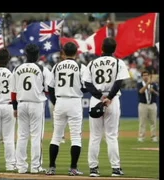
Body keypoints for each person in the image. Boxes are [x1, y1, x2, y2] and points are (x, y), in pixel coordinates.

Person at [83, 37, 130, 177]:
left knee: (95, 136)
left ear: (102, 48)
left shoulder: (92, 63)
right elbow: (118, 82)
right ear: (114, 49)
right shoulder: (118, 62)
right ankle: (115, 169)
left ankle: (93, 169)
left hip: (96, 100)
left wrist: (99, 96)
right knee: (111, 136)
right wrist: (109, 97)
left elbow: (87, 84)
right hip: (112, 100)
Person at [46, 42, 87, 176]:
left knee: (56, 137)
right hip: (74, 102)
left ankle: (51, 167)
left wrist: (55, 101)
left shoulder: (56, 66)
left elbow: (50, 88)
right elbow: (86, 86)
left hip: (60, 101)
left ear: (63, 52)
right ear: (76, 52)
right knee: (76, 137)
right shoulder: (80, 66)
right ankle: (73, 168)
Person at [10, 43, 51, 174]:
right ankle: (35, 166)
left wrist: (15, 108)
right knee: (36, 136)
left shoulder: (17, 68)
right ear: (38, 55)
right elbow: (48, 89)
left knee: (22, 136)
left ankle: (21, 167)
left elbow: (13, 92)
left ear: (25, 54)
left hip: (21, 103)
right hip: (36, 104)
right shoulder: (42, 69)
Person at [137, 70, 159, 142]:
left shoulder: (154, 84)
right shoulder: (140, 84)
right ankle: (141, 137)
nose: (145, 76)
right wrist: (147, 85)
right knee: (142, 121)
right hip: (143, 104)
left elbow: (157, 94)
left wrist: (154, 91)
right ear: (142, 77)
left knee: (153, 121)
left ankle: (154, 136)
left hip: (152, 104)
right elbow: (140, 91)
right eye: (144, 75)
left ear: (149, 76)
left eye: (146, 75)